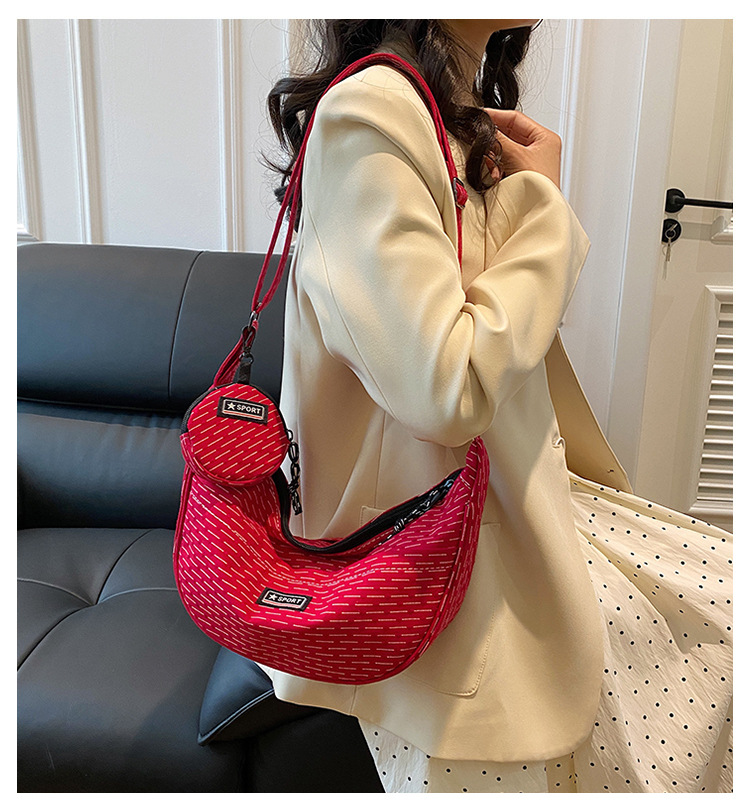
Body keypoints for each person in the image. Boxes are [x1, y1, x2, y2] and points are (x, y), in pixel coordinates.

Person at [258, 19, 733, 793]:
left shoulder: (437, 111)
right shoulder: (371, 111)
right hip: (427, 562)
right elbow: (445, 387)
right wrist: (542, 205)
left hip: (494, 511)